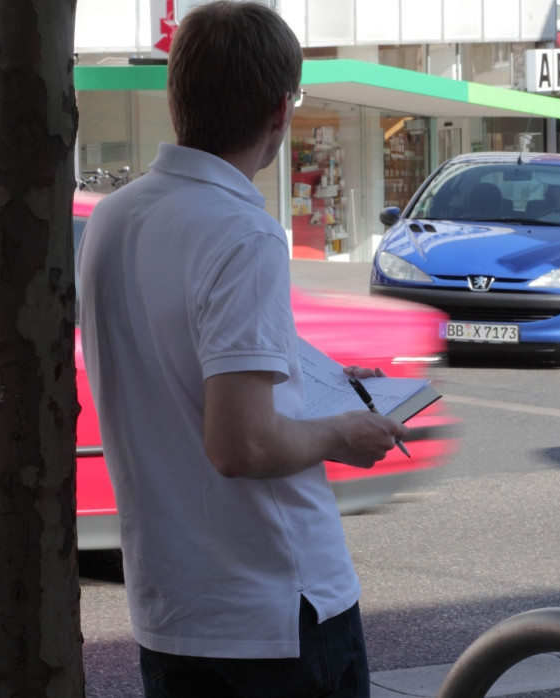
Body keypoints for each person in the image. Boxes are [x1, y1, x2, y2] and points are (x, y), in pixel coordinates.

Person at [76, 2, 409, 696]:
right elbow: (242, 446)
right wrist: (343, 430)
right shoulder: (243, 233)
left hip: (172, 610)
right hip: (275, 614)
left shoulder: (112, 218)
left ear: (177, 100)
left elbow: (176, 364)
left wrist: (301, 376)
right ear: (280, 115)